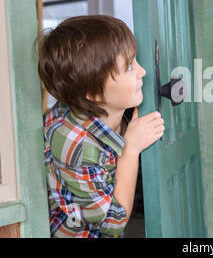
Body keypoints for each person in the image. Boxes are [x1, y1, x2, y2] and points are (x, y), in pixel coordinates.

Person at [38, 15, 165, 238]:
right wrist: (131, 149)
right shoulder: (75, 144)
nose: (142, 71)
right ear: (94, 93)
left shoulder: (96, 104)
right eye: (129, 67)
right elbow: (113, 224)